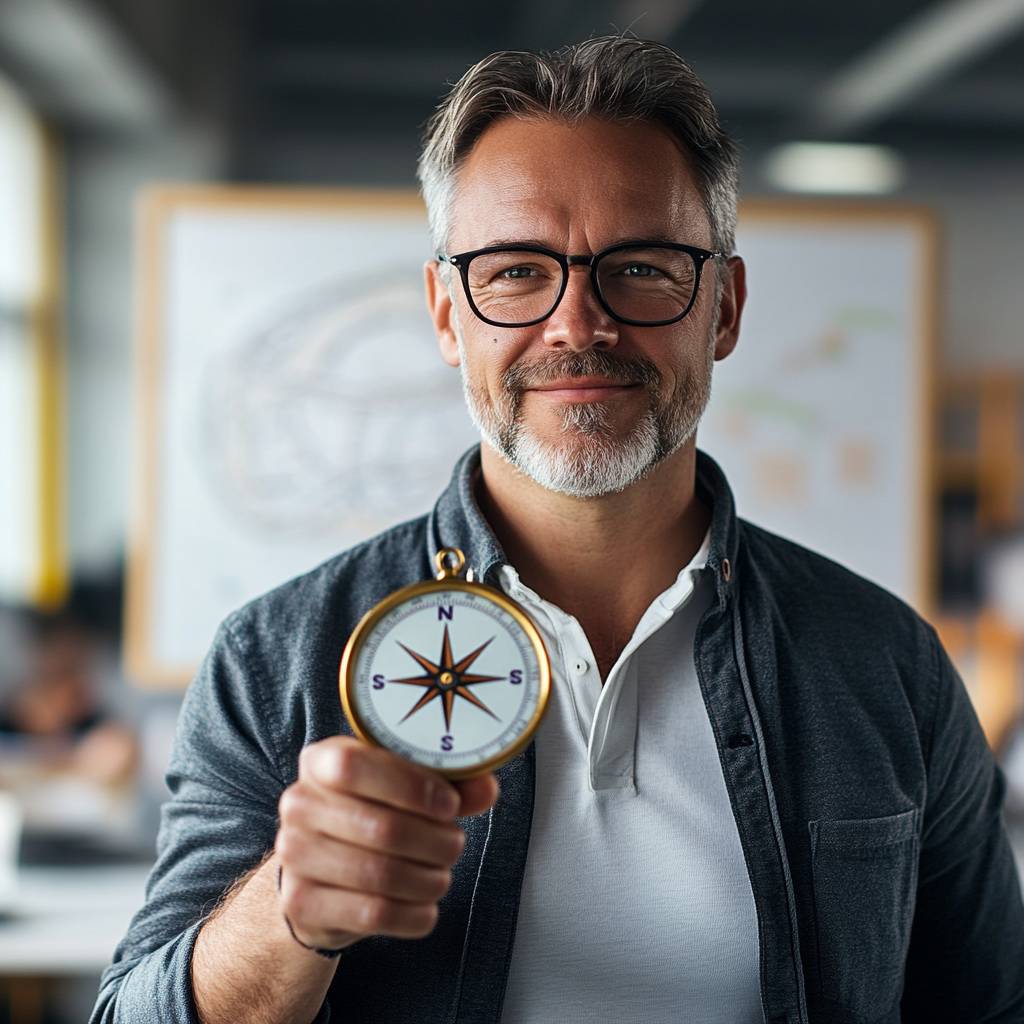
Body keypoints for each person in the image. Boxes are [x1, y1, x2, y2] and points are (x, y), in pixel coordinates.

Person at [91, 36, 1024, 1024]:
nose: (578, 323)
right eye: (515, 271)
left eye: (644, 267)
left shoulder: (886, 664)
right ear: (448, 314)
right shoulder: (277, 660)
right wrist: (291, 913)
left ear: (724, 308)